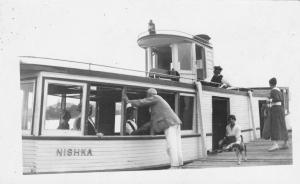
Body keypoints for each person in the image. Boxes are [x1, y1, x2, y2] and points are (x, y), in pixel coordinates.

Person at [123, 88, 183, 169]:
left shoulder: (156, 98)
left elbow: (142, 102)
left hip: (170, 123)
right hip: (175, 122)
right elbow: (152, 121)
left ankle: (174, 166)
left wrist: (129, 101)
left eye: (147, 95)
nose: (147, 97)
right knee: (176, 145)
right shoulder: (156, 104)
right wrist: (150, 132)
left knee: (171, 146)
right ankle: (179, 164)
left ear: (150, 95)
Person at [266, 77, 289, 151]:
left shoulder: (273, 90)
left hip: (275, 109)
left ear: (270, 84)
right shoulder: (279, 90)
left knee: (274, 126)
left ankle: (275, 145)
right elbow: (281, 100)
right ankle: (286, 143)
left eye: (269, 84)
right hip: (280, 109)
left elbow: (276, 99)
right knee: (282, 125)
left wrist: (269, 99)